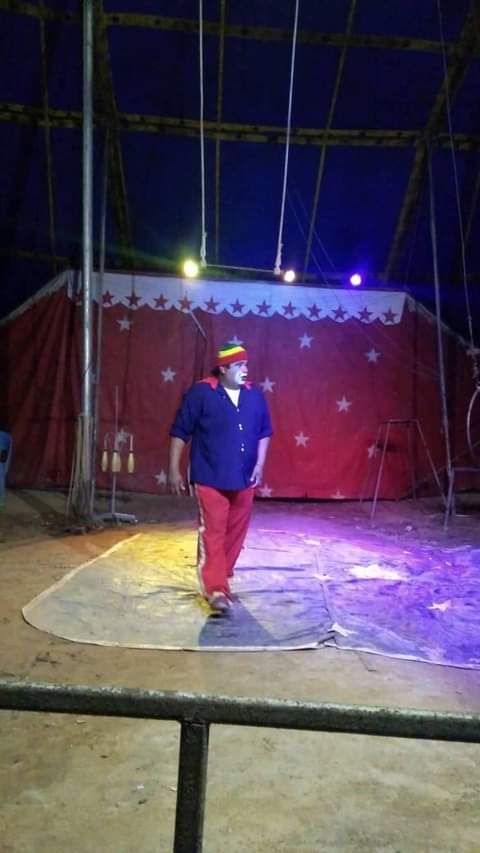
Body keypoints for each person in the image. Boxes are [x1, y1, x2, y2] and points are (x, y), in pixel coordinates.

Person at [168, 343, 272, 614]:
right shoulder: (202, 392)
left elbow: (264, 431)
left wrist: (260, 464)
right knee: (213, 531)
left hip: (244, 477)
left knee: (236, 531)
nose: (245, 369)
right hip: (210, 475)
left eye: (245, 364)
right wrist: (173, 468)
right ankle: (215, 588)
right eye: (238, 365)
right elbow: (180, 431)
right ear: (223, 369)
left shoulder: (254, 395)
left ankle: (222, 574)